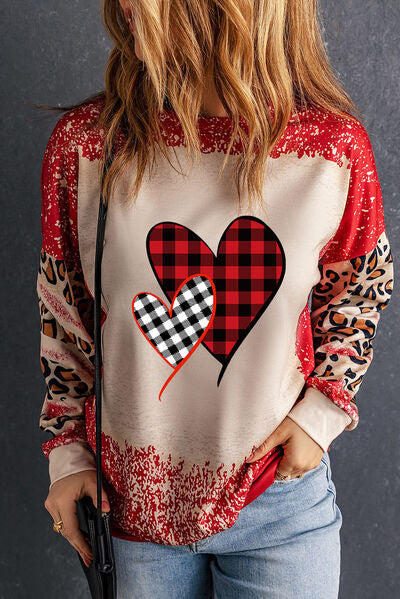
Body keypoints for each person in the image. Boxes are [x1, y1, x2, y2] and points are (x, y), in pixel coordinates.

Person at [36, 1, 394, 597]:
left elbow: (359, 291)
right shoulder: (88, 144)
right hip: (129, 510)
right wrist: (67, 455)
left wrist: (321, 414)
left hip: (278, 505)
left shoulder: (331, 149)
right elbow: (64, 312)